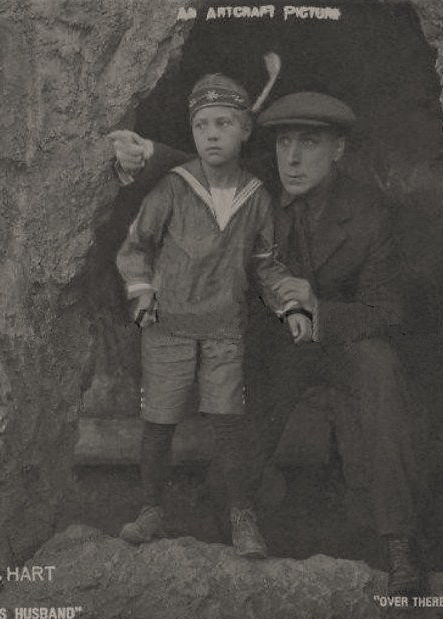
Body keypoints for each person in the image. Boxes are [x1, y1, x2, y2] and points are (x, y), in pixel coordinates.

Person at [110, 91, 427, 595]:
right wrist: (147, 153)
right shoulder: (258, 185)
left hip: (340, 344)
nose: (292, 158)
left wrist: (320, 310)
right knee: (228, 485)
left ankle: (400, 547)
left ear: (339, 149)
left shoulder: (370, 213)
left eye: (309, 143)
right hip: (275, 351)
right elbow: (205, 167)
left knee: (380, 367)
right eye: (283, 142)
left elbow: (388, 311)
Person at [115, 74, 314, 560]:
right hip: (168, 328)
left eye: (224, 123)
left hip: (225, 331)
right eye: (201, 124)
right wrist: (142, 293)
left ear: (245, 130)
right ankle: (151, 510)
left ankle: (241, 515)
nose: (211, 134)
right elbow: (136, 246)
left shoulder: (257, 196)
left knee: (229, 425)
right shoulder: (173, 186)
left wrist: (291, 304)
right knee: (159, 422)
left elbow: (266, 264)